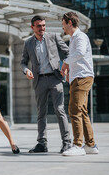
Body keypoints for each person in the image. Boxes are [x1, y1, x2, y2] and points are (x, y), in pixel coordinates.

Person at [21, 15, 72, 153]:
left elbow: (68, 52)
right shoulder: (28, 43)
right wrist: (26, 70)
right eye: (39, 26)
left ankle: (67, 142)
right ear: (32, 27)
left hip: (56, 78)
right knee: (41, 113)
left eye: (43, 25)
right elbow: (23, 62)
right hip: (39, 80)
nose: (42, 28)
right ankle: (42, 143)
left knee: (59, 110)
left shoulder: (54, 37)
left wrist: (65, 66)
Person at [60, 12, 99, 156]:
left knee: (74, 109)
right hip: (80, 76)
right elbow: (78, 56)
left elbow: (81, 52)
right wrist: (70, 69)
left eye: (63, 24)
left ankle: (77, 145)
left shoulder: (80, 37)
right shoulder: (74, 38)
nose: (63, 27)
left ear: (70, 23)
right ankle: (90, 145)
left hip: (82, 77)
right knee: (82, 111)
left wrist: (65, 63)